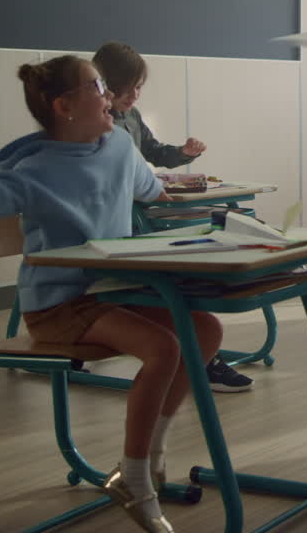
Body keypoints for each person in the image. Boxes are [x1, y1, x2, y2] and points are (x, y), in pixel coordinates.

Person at [0, 56, 223, 532]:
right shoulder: (35, 169)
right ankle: (137, 478)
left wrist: (205, 211)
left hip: (117, 290)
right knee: (163, 347)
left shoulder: (121, 145)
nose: (108, 94)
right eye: (97, 86)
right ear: (64, 105)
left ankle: (150, 456)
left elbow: (151, 192)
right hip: (60, 304)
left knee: (205, 329)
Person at [92, 42, 250, 393]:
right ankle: (199, 355)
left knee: (217, 226)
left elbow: (154, 152)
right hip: (125, 224)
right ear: (107, 84)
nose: (134, 95)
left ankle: (200, 353)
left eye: (139, 87)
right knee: (176, 269)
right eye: (128, 86)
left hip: (140, 210)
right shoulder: (99, 126)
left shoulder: (130, 117)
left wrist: (182, 153)